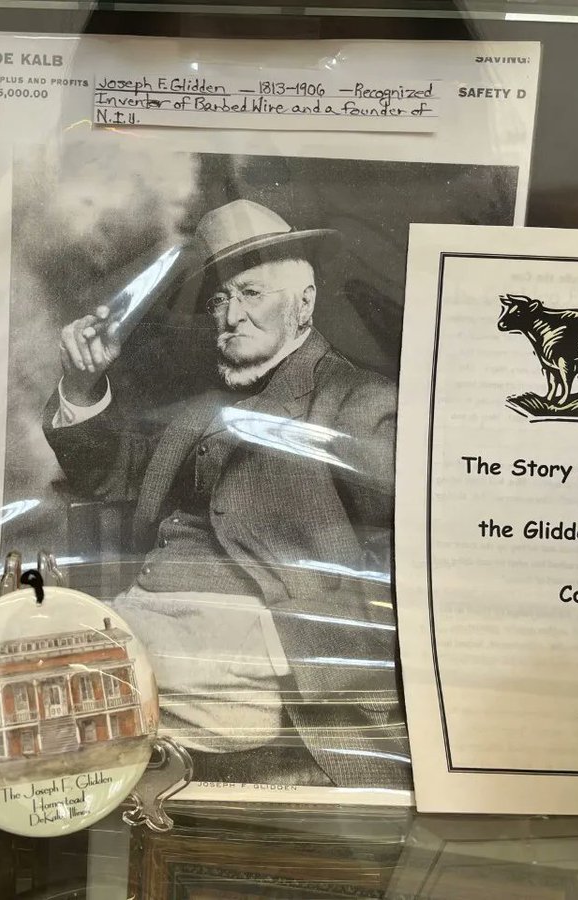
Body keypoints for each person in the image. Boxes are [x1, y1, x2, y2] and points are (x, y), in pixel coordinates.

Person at [43, 199, 409, 789]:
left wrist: (288, 640)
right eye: (220, 299)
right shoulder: (199, 411)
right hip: (148, 617)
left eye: (251, 293)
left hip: (255, 648)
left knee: (65, 689)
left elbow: (409, 565)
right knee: (46, 661)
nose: (230, 315)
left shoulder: (359, 402)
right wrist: (82, 386)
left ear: (304, 303)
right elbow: (109, 475)